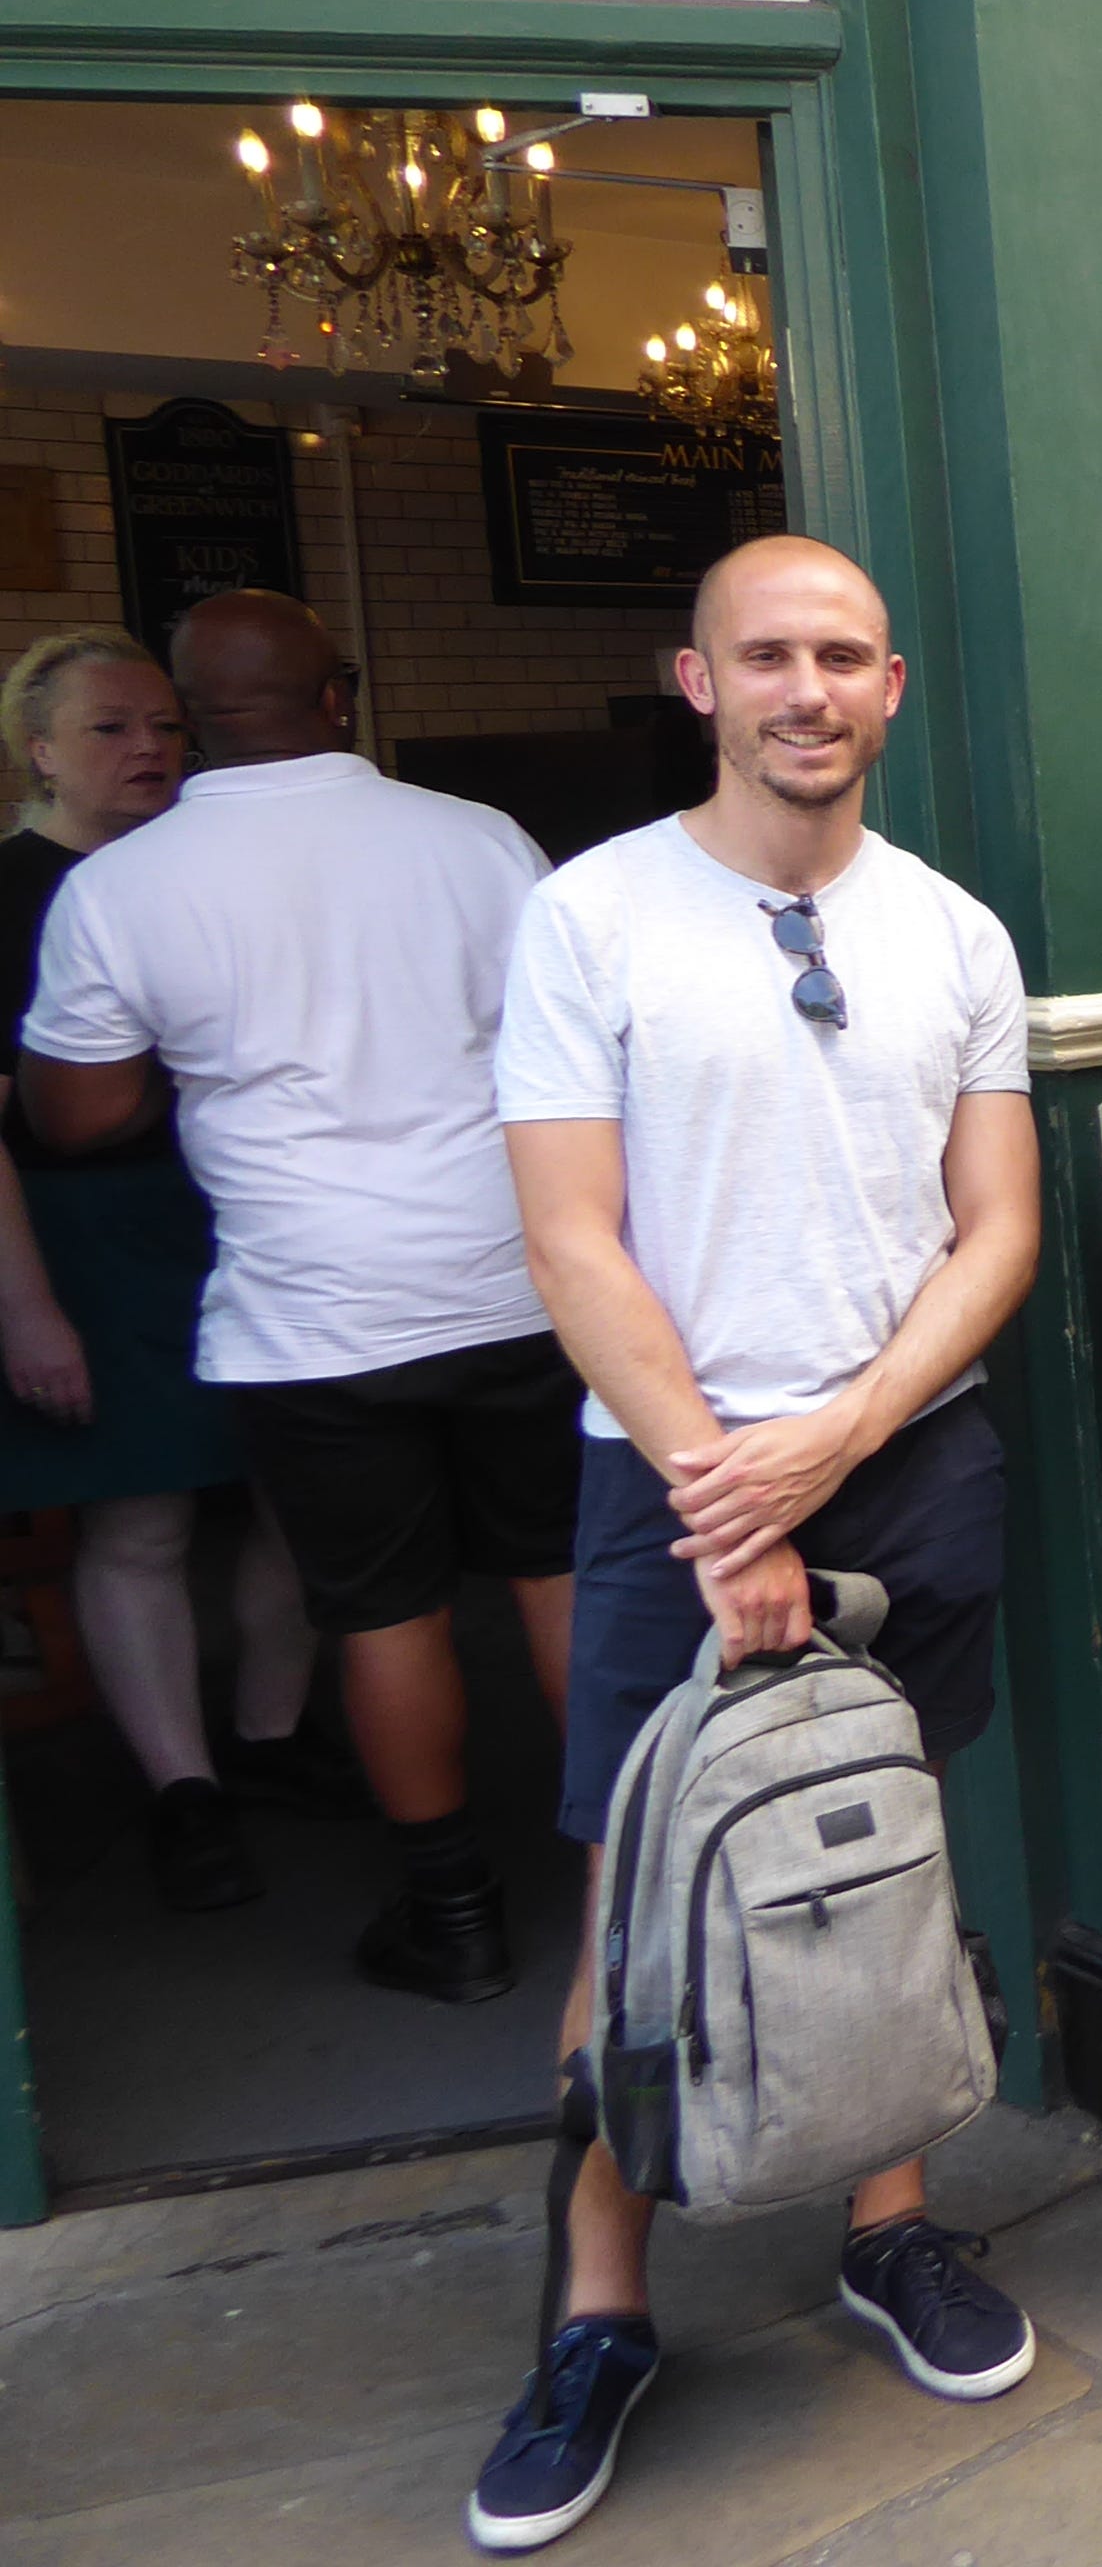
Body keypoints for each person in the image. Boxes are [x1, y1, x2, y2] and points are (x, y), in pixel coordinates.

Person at [466, 536, 1046, 2553]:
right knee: (638, 1898)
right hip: (671, 1475)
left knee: (884, 1866)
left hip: (900, 1454)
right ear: (695, 680)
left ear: (892, 686)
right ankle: (597, 2314)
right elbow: (571, 1238)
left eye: (840, 657)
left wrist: (841, 1442)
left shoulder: (954, 932)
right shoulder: (591, 917)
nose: (806, 689)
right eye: (764, 656)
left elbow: (1000, 1231)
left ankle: (890, 2235)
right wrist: (729, 1488)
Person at [23, 590, 577, 2003]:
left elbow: (75, 1116)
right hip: (517, 1282)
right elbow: (578, 1048)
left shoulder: (120, 888)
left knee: (384, 1615)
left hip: (310, 1316)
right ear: (339, 696)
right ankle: (639, 1895)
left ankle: (452, 1919)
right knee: (566, 1579)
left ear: (194, 716)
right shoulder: (477, 840)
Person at [0, 629, 332, 1912]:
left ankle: (271, 1740)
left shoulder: (211, 870)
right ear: (38, 752)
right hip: (86, 1240)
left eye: (165, 727)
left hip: (246, 1219)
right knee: (141, 1519)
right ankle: (183, 1794)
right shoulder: (11, 893)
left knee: (295, 1491)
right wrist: (28, 1310)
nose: (149, 749)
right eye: (109, 729)